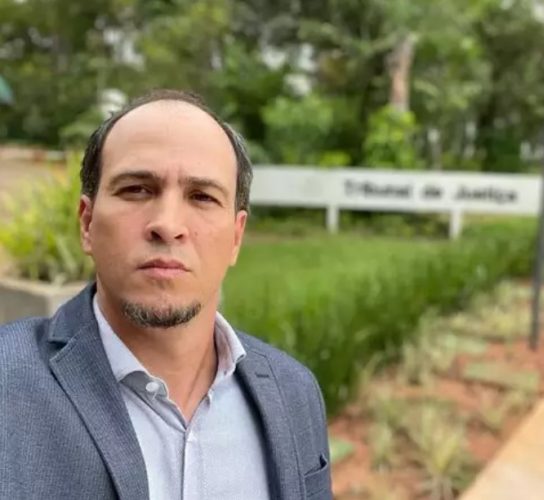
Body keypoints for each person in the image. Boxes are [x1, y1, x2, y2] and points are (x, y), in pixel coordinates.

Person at [0, 89, 332, 500]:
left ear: (236, 237)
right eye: (137, 189)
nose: (168, 224)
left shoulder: (295, 393)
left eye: (202, 197)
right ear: (87, 223)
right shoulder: (9, 382)